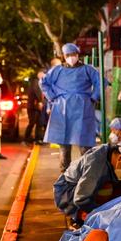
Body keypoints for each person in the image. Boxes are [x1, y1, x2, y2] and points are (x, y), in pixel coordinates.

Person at [41, 43, 101, 172]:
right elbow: (44, 83)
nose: (71, 57)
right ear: (64, 56)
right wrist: (52, 97)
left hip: (83, 108)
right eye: (68, 55)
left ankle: (86, 174)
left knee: (85, 146)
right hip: (62, 109)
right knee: (64, 146)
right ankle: (65, 175)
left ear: (77, 54)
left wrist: (93, 97)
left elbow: (99, 82)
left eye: (73, 55)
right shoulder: (57, 70)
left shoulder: (88, 69)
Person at [53, 143, 121, 230]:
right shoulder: (96, 166)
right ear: (120, 158)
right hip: (67, 194)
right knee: (106, 191)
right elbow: (81, 199)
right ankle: (78, 218)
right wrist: (101, 212)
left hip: (80, 190)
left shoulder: (109, 152)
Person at [24, 77, 44, 144]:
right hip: (33, 107)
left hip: (36, 107)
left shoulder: (38, 82)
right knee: (32, 122)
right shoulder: (35, 82)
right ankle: (26, 138)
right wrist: (40, 101)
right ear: (40, 74)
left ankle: (37, 139)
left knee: (39, 123)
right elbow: (36, 92)